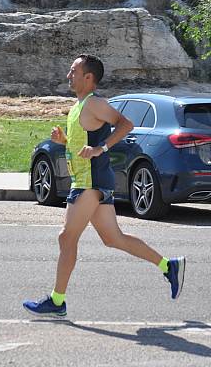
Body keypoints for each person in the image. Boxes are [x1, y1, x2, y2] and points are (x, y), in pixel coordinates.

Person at [23, 54, 185, 318]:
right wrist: (65, 141)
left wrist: (102, 147)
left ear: (88, 77)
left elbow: (126, 125)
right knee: (113, 239)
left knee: (66, 236)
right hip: (90, 180)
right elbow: (83, 144)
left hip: (91, 182)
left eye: (73, 70)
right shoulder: (79, 106)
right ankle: (169, 265)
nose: (68, 75)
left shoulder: (95, 103)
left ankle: (57, 300)